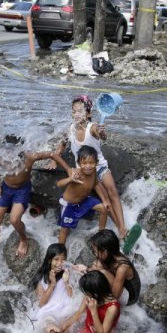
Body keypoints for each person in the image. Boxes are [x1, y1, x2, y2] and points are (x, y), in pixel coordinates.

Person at [0, 137, 73, 262]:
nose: (10, 159)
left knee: (14, 219)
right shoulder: (1, 156)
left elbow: (52, 154)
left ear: (21, 153)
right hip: (6, 189)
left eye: (14, 157)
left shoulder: (29, 156)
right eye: (7, 155)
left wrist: (69, 169)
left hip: (22, 190)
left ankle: (24, 239)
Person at [61, 95, 128, 239]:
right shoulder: (70, 129)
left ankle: (122, 226)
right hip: (86, 172)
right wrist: (55, 159)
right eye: (74, 111)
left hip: (100, 166)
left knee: (112, 191)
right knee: (105, 200)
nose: (76, 114)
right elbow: (62, 143)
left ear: (89, 113)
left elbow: (101, 134)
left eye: (80, 111)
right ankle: (120, 229)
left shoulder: (93, 128)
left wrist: (102, 132)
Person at [30, 243, 76, 333]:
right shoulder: (42, 279)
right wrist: (52, 284)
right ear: (49, 260)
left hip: (66, 310)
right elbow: (42, 302)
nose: (59, 263)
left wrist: (67, 282)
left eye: (63, 259)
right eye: (56, 259)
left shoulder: (67, 274)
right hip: (48, 312)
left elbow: (71, 296)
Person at [57, 145, 110, 244]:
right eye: (84, 163)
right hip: (69, 205)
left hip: (84, 200)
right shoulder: (76, 173)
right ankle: (60, 251)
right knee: (65, 230)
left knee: (103, 208)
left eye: (91, 163)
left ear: (96, 163)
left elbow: (96, 184)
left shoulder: (93, 171)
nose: (88, 166)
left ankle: (101, 234)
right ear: (79, 163)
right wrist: (70, 179)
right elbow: (59, 184)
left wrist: (105, 199)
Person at [88, 229, 141, 305]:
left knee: (101, 271)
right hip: (120, 284)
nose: (94, 253)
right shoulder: (112, 253)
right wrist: (88, 269)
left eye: (95, 251)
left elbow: (115, 296)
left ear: (105, 252)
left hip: (130, 297)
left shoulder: (122, 268)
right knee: (97, 264)